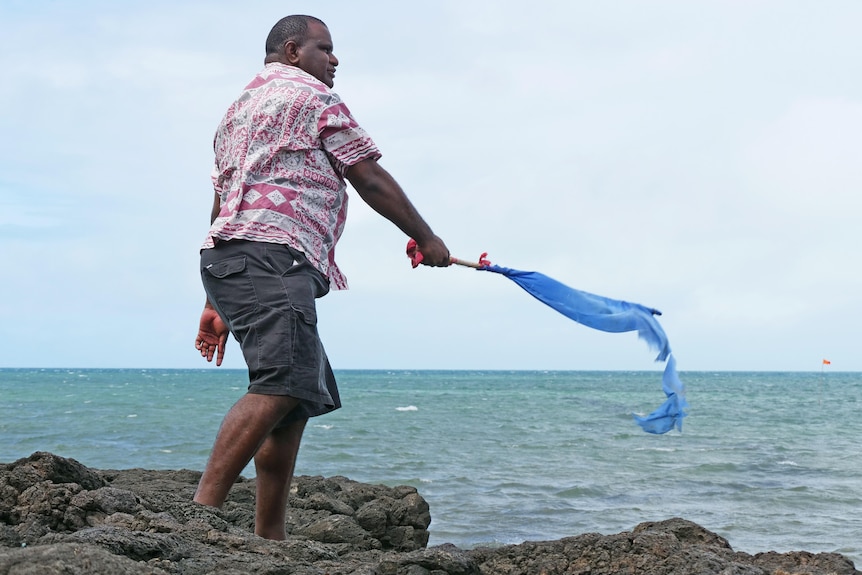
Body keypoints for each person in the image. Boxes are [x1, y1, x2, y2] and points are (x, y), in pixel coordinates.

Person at [193, 14, 450, 540]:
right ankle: (201, 517)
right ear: (292, 51)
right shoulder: (312, 97)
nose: (334, 60)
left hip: (234, 258)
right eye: (325, 49)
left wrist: (215, 299)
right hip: (271, 257)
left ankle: (270, 538)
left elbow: (222, 201)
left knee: (293, 401)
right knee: (281, 384)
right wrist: (428, 238)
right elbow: (369, 177)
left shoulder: (235, 111)